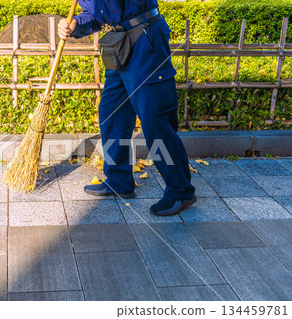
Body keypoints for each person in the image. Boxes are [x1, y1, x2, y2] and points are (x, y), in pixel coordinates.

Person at [58, 0, 196, 216]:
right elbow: (96, 15)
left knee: (154, 119)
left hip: (145, 39)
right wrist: (76, 23)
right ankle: (119, 180)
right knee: (112, 114)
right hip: (118, 42)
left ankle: (181, 190)